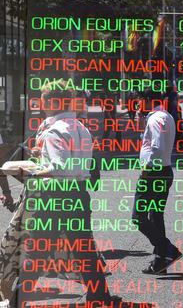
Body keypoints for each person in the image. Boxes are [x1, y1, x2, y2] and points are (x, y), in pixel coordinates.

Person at [0, 79, 121, 306]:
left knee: (37, 251)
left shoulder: (54, 131)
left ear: (55, 102)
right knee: (83, 248)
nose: (42, 104)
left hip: (55, 197)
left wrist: (32, 170)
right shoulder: (80, 127)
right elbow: (75, 162)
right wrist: (41, 153)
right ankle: (100, 295)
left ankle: (16, 300)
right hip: (78, 194)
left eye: (45, 100)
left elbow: (59, 168)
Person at [133, 88, 182, 274]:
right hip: (164, 171)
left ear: (146, 99)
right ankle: (161, 261)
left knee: (138, 217)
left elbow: (157, 146)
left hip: (154, 173)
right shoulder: (165, 116)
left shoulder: (155, 119)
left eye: (139, 100)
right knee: (155, 215)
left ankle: (167, 250)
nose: (137, 104)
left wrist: (147, 168)